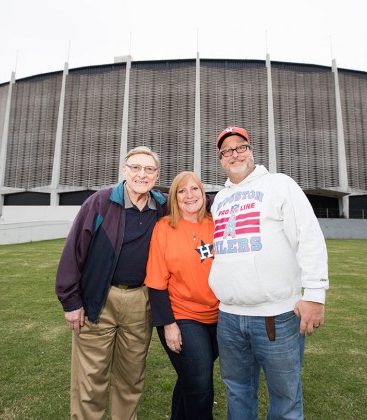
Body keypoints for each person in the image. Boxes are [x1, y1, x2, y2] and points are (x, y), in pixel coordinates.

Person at [208, 126, 329, 420]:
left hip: (276, 317)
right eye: (227, 151)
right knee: (237, 390)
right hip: (229, 317)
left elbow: (308, 237)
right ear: (221, 159)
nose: (234, 154)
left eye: (240, 147)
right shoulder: (220, 200)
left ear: (251, 151)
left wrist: (314, 295)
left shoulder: (279, 184)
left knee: (285, 399)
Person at [55, 146, 167, 420]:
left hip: (141, 301)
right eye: (136, 168)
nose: (143, 174)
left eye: (149, 169)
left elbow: (196, 200)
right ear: (124, 171)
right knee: (90, 379)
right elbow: (73, 252)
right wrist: (71, 302)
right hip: (99, 299)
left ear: (157, 175)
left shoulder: (163, 206)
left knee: (131, 378)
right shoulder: (100, 202)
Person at [144, 171, 219, 420]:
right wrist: (169, 325)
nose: (189, 195)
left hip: (221, 317)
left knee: (190, 379)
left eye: (194, 189)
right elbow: (155, 282)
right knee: (200, 385)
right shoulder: (164, 228)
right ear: (174, 198)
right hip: (182, 316)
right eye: (182, 191)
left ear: (203, 193)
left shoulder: (217, 224)